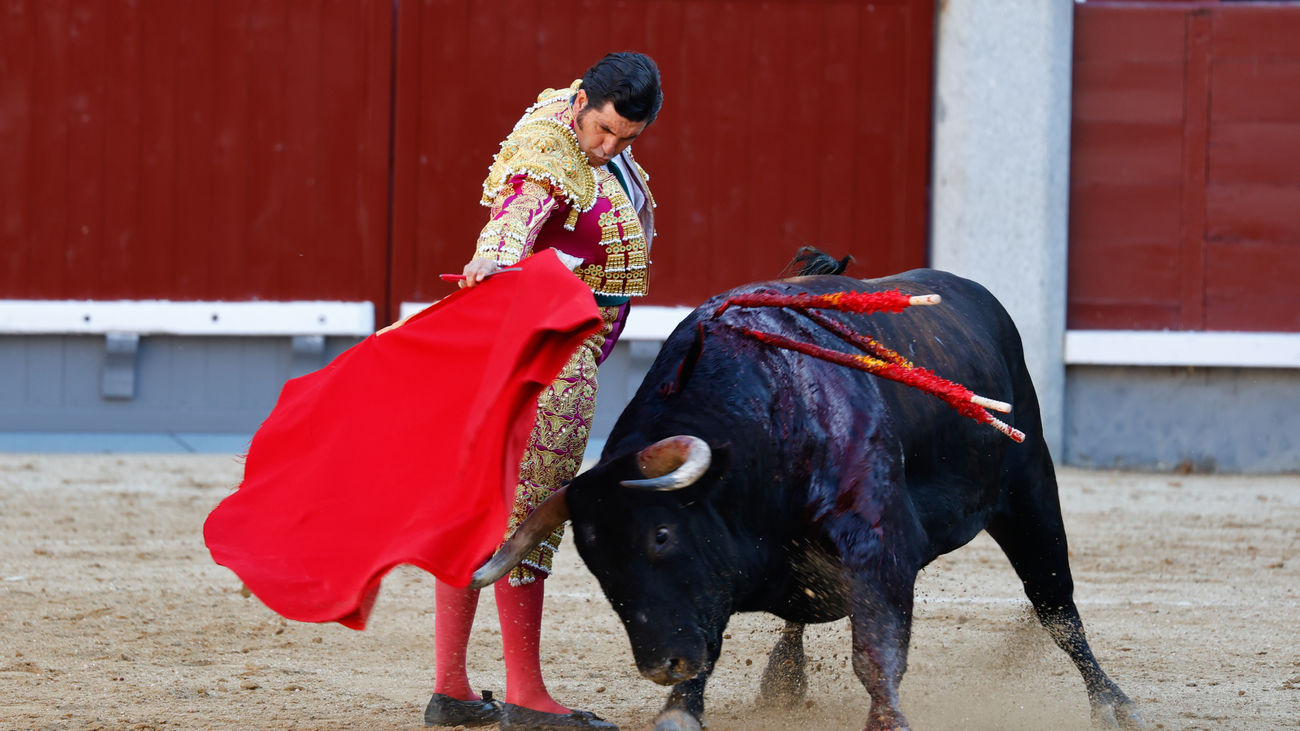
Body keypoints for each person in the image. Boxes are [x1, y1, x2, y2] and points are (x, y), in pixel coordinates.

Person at [423, 52, 663, 731]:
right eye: (604, 130)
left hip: (548, 344)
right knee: (533, 510)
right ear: (583, 100)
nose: (608, 146)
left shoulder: (584, 127)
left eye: (626, 139)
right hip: (547, 352)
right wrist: (496, 256)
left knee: (483, 508)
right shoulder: (548, 144)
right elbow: (519, 209)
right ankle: (525, 693)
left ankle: (451, 689)